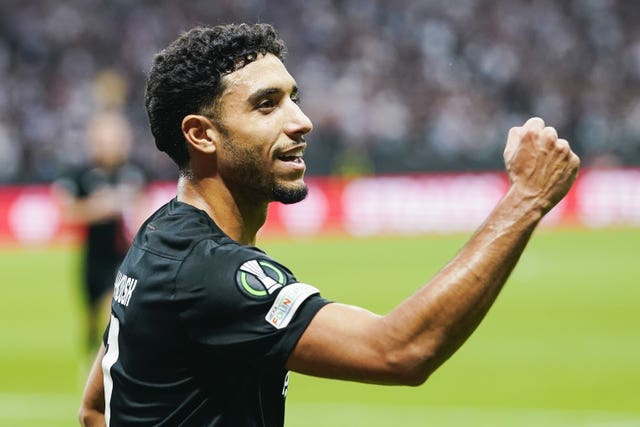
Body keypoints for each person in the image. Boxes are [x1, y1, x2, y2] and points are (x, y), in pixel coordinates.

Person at [78, 23, 580, 427]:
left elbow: (96, 408)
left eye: (293, 97)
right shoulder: (211, 273)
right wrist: (527, 200)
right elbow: (399, 351)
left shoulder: (160, 234)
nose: (301, 121)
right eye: (266, 104)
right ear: (201, 135)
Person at [53, 111, 146, 355]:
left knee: (112, 313)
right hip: (92, 259)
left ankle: (112, 370)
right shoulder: (81, 174)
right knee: (93, 322)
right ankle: (95, 366)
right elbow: (69, 211)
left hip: (123, 259)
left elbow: (142, 212)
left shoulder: (134, 172)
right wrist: (101, 207)